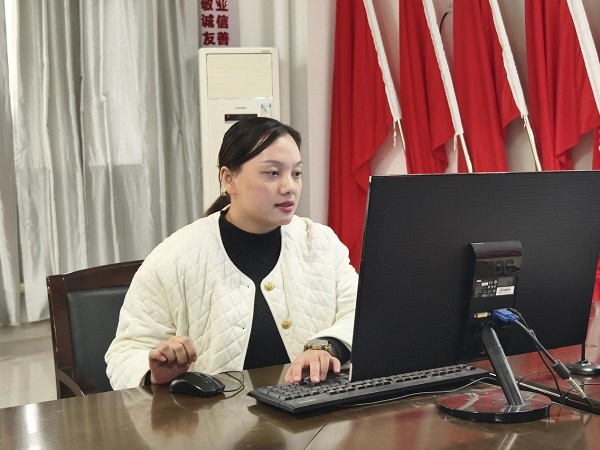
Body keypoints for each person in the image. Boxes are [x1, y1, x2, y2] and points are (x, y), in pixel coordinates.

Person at [105, 117, 358, 390]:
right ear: (228, 179)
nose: (289, 187)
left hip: (314, 408)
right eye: (272, 173)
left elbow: (360, 313)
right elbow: (125, 353)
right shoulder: (174, 256)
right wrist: (154, 373)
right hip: (211, 415)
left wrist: (327, 346)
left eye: (296, 173)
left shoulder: (320, 242)